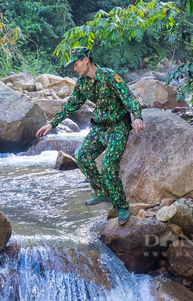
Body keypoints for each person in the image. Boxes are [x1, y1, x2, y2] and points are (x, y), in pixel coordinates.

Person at [36, 47, 145, 225]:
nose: (75, 68)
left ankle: (121, 206)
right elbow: (70, 105)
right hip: (99, 128)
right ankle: (101, 192)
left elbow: (128, 97)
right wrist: (51, 124)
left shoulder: (109, 76)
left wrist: (137, 117)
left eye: (77, 63)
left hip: (118, 126)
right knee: (81, 156)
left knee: (109, 166)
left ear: (86, 60)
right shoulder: (82, 83)